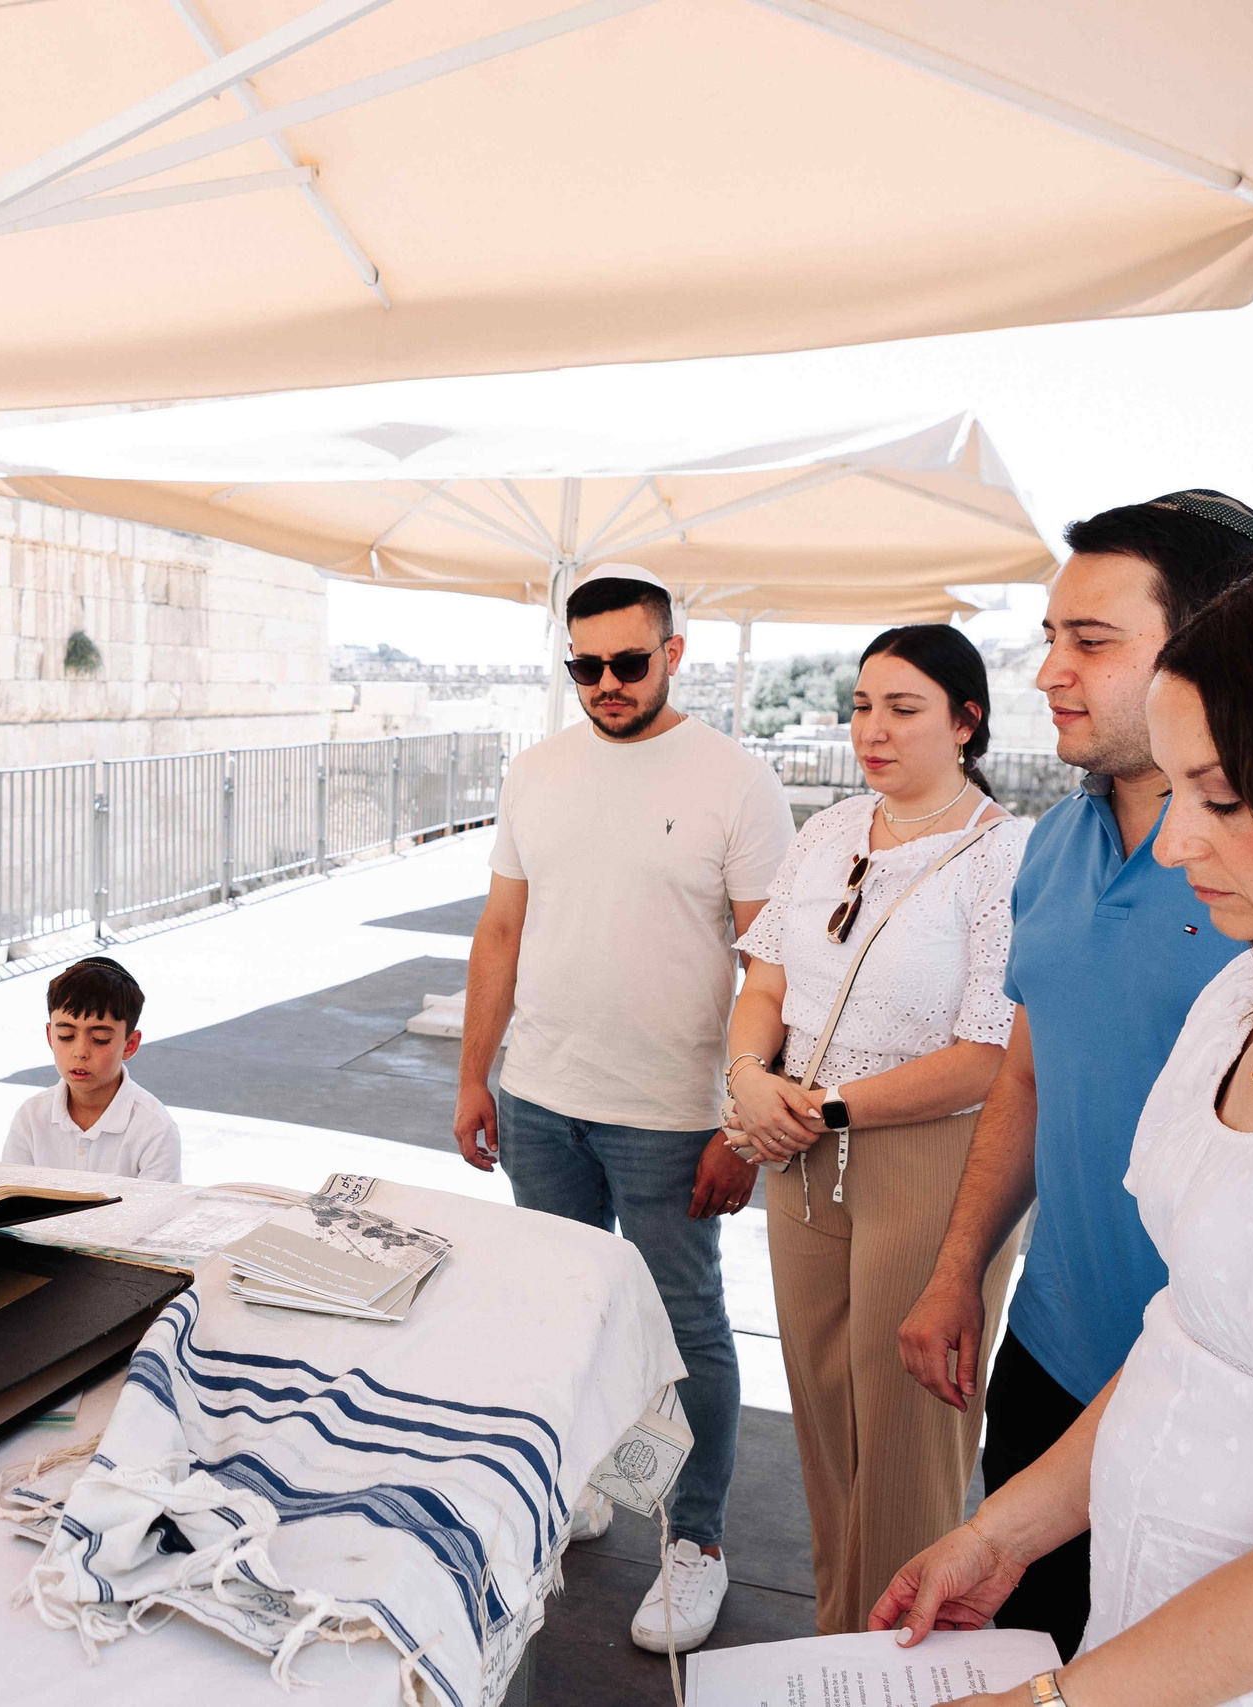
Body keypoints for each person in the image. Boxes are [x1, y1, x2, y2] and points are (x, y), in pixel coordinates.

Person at [874, 552, 1253, 1705]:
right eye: (1171, 793)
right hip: (1150, 1625)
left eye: (1221, 799)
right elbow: (1192, 1332)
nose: (1175, 844)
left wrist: (1051, 1703)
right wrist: (1006, 1531)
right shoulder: (1251, 990)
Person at [894, 492, 1253, 1657]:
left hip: (1224, 1390)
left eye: (1090, 642)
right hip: (1054, 1355)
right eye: (1050, 637)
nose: (1049, 670)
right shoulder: (1053, 842)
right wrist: (961, 1269)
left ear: (1208, 649)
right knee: (1022, 1642)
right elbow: (1027, 1074)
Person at [452, 562, 794, 1655]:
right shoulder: (536, 771)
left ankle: (694, 1543)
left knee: (685, 1333)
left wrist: (739, 1127)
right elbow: (500, 933)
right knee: (559, 1312)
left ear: (673, 654)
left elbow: (772, 967)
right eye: (584, 664)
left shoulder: (736, 781)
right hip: (540, 1100)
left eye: (627, 661)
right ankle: (583, 1487)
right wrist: (473, 1074)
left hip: (673, 1119)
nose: (606, 681)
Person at [724, 625, 1029, 1633]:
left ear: (965, 720)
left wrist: (815, 1107)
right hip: (797, 1150)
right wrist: (745, 1078)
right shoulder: (829, 830)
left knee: (904, 1431)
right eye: (862, 705)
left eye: (903, 709)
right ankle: (833, 1644)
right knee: (820, 1411)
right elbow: (764, 975)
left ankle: (895, 1663)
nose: (872, 729)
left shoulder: (1004, 853)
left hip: (923, 1155)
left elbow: (985, 1053)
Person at [1, 957, 181, 1180]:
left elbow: (158, 1212)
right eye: (66, 1036)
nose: (80, 1052)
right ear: (50, 1036)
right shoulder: (31, 1117)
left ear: (130, 1044)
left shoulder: (155, 1129)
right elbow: (9, 1199)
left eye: (100, 1038)